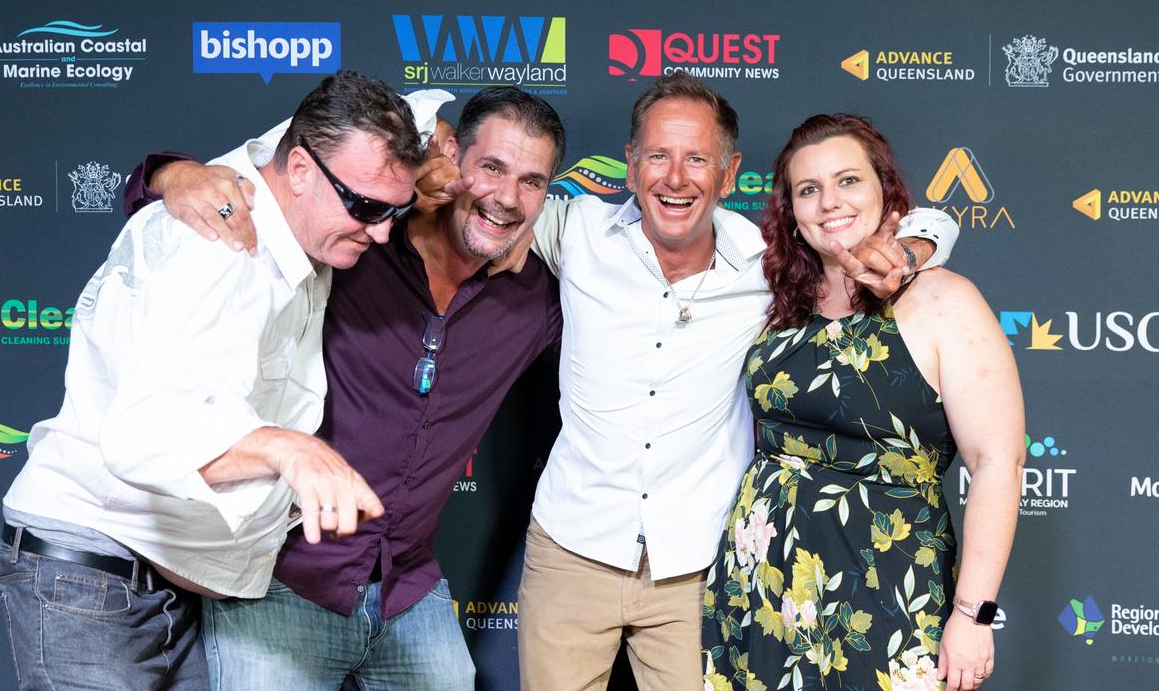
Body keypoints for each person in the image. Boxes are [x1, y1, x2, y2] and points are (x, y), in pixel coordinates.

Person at [513, 74, 960, 691]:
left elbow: (927, 220)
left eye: (697, 158)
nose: (676, 178)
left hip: (699, 568)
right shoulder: (576, 231)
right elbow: (488, 201)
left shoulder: (768, 262)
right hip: (571, 548)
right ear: (629, 164)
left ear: (729, 175)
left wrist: (912, 245)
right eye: (658, 156)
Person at [123, 86, 566, 690]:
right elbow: (239, 203)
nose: (507, 198)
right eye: (491, 167)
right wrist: (170, 175)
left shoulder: (534, 300)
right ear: (448, 157)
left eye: (532, 181)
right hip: (281, 581)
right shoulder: (353, 244)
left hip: (407, 587)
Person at [0, 70, 418, 690]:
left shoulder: (304, 206)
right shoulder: (223, 245)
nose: (383, 232)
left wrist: (171, 170)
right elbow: (143, 434)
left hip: (164, 586)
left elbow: (404, 114)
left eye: (396, 210)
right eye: (367, 208)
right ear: (298, 170)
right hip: (92, 576)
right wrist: (289, 448)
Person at [700, 114, 1023, 691]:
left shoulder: (944, 300)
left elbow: (999, 463)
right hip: (761, 588)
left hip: (888, 587)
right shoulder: (775, 302)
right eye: (808, 190)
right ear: (791, 213)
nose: (829, 203)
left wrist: (973, 615)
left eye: (848, 181)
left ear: (885, 194)